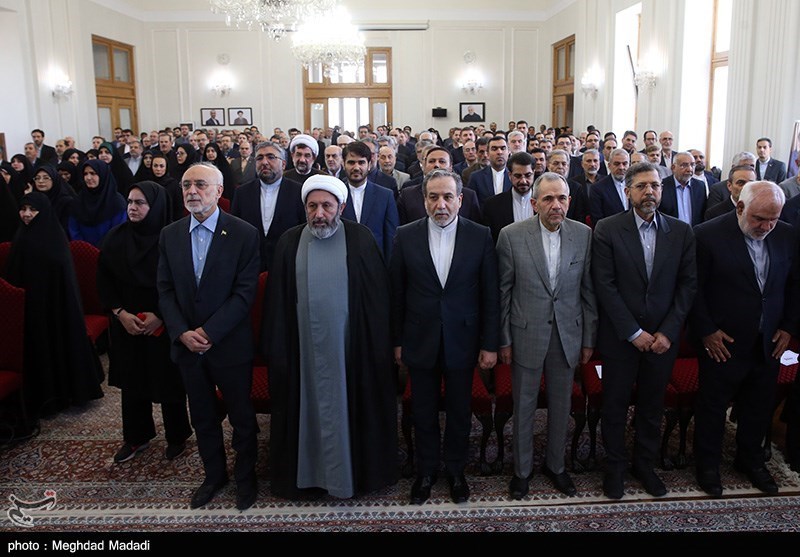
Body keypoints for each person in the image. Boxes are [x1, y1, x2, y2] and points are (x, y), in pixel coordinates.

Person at [263, 174, 398, 499]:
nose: (319, 213)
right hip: (302, 352)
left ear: (341, 206)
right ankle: (308, 478)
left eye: (326, 205)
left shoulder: (361, 239)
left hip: (352, 351)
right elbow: (276, 303)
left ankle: (353, 476)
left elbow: (378, 302)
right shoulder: (289, 242)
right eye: (312, 206)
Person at [390, 169, 499, 505]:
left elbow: (490, 295)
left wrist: (490, 344)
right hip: (419, 338)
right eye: (434, 197)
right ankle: (425, 472)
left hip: (463, 340)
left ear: (460, 200)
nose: (441, 204)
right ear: (424, 200)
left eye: (448, 197)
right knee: (422, 412)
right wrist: (397, 341)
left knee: (459, 411)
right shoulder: (405, 235)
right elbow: (396, 294)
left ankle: (455, 471)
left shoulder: (480, 235)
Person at [591, 161, 697, 499]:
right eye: (641, 186)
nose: (649, 192)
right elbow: (605, 285)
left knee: (652, 406)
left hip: (663, 340)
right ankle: (615, 467)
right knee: (615, 405)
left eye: (655, 185)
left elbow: (687, 286)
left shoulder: (681, 231)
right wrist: (633, 332)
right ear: (628, 192)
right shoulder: (608, 229)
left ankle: (645, 465)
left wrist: (668, 332)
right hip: (621, 338)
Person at [157, 162, 260, 511]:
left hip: (229, 344)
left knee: (242, 417)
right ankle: (214, 476)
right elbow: (165, 291)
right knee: (202, 416)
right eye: (186, 185)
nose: (192, 191)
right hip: (188, 346)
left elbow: (245, 293)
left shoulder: (244, 233)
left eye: (200, 185)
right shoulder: (170, 234)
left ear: (219, 191)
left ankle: (246, 477)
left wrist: (209, 331)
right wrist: (181, 333)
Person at [690, 181, 799, 496]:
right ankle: (707, 465)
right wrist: (707, 331)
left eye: (773, 219)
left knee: (758, 405)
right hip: (723, 342)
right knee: (712, 407)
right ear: (740, 207)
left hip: (769, 341)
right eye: (759, 219)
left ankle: (750, 460)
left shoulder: (787, 234)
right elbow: (693, 290)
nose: (766, 227)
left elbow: (794, 284)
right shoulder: (706, 235)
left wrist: (788, 327)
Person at [497, 172, 597, 499]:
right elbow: (503, 293)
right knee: (524, 407)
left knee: (561, 406)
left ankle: (556, 466)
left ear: (570, 201)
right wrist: (504, 339)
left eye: (562, 198)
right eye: (549, 199)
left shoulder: (583, 235)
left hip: (568, 335)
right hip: (526, 335)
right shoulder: (511, 236)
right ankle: (522, 471)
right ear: (534, 203)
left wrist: (588, 339)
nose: (556, 205)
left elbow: (588, 291)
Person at [97, 181, 191, 463]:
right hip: (127, 323)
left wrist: (160, 316)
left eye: (140, 203)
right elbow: (104, 280)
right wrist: (120, 313)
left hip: (164, 322)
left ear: (156, 206)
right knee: (132, 379)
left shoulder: (173, 239)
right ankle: (136, 436)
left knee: (168, 379)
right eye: (129, 202)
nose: (132, 208)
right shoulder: (115, 238)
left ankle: (177, 436)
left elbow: (183, 283)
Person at [3, 192, 104, 419]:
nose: (27, 214)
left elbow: (60, 280)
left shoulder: (54, 239)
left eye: (33, 210)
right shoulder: (21, 236)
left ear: (44, 212)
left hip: (53, 310)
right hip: (29, 308)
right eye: (23, 209)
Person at [231, 141, 305, 272]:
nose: (264, 162)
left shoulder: (299, 192)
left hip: (287, 265)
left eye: (271, 157)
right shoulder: (242, 193)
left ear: (283, 164)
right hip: (251, 266)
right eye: (259, 158)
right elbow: (235, 230)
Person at [68, 160, 127, 246]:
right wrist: (83, 248)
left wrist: (99, 250)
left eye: (93, 173)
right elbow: (73, 229)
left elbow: (117, 232)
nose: (88, 178)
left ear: (103, 174)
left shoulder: (116, 201)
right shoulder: (79, 200)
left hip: (108, 250)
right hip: (81, 250)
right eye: (85, 174)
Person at [31, 165, 75, 236]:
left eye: (46, 178)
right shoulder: (33, 199)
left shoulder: (66, 201)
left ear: (54, 179)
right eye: (37, 178)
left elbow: (65, 228)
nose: (40, 181)